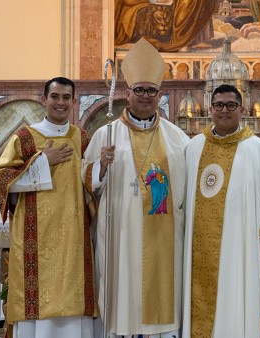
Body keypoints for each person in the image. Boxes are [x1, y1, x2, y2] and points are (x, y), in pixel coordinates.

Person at [82, 38, 189, 337]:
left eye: (151, 90)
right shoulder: (106, 136)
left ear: (160, 95)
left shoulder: (178, 139)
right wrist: (100, 167)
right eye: (139, 89)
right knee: (124, 297)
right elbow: (87, 186)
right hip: (121, 237)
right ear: (128, 93)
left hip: (167, 237)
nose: (145, 95)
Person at [0, 77, 97, 338]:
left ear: (74, 102)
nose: (60, 102)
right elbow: (3, 179)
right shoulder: (26, 138)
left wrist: (102, 169)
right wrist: (42, 161)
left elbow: (91, 184)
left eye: (66, 97)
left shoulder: (82, 138)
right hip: (35, 239)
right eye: (54, 96)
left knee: (72, 298)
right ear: (44, 100)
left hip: (73, 237)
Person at [182, 84, 260, 338]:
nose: (224, 110)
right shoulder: (194, 148)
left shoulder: (256, 148)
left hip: (241, 247)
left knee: (238, 300)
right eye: (218, 105)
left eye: (230, 105)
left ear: (242, 109)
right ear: (210, 109)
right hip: (196, 247)